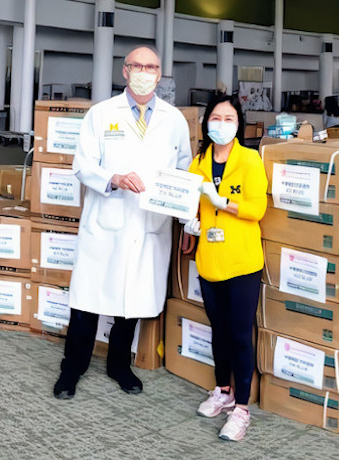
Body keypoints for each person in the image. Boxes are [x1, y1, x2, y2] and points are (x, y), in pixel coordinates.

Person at [53, 46, 192, 399]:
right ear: (125, 71)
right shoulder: (101, 114)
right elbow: (82, 166)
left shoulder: (173, 120)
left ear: (160, 74)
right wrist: (113, 178)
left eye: (152, 66)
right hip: (107, 221)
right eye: (137, 65)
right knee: (87, 302)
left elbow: (185, 173)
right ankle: (71, 370)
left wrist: (187, 219)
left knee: (131, 302)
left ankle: (119, 365)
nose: (144, 71)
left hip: (150, 225)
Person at [182, 94, 268, 441]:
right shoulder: (199, 161)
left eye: (228, 118)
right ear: (206, 124)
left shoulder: (249, 160)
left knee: (239, 334)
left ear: (238, 123)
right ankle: (222, 391)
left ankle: (242, 409)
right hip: (211, 261)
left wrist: (225, 203)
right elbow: (188, 198)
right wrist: (190, 220)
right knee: (218, 330)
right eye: (215, 118)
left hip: (242, 262)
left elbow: (257, 207)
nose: (221, 124)